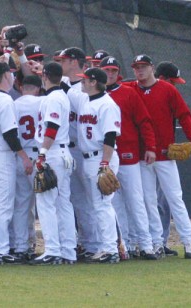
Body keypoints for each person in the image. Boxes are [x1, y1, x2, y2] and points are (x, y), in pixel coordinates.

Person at [125, 54, 191, 259]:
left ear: (152, 68)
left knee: (175, 198)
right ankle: (157, 242)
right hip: (142, 155)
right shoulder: (130, 89)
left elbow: (184, 114)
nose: (139, 70)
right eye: (136, 67)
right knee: (148, 200)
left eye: (143, 66)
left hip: (165, 154)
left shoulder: (167, 89)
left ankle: (188, 242)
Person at [100, 56, 159, 260]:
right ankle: (123, 245)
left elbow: (144, 122)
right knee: (115, 205)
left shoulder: (128, 92)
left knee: (136, 201)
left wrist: (150, 147)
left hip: (129, 155)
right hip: (105, 157)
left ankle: (146, 245)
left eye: (113, 71)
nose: (110, 74)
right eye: (106, 70)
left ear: (118, 73)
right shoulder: (93, 95)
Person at [0, 62, 33, 265]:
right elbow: (10, 134)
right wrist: (24, 156)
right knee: (3, 207)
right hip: (2, 155)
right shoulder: (5, 100)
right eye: (11, 73)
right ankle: (1, 251)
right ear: (4, 75)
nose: (13, 77)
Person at [68, 68, 122, 263]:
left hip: (101, 157)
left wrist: (105, 164)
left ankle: (110, 249)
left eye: (85, 80)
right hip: (88, 158)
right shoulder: (85, 100)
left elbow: (110, 136)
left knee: (102, 205)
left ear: (93, 82)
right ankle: (103, 246)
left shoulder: (107, 104)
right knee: (95, 205)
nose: (81, 82)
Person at [31, 62, 77, 265]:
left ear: (45, 77)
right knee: (63, 203)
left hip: (53, 153)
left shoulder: (53, 98)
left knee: (46, 203)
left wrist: (42, 154)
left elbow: (51, 128)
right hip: (62, 153)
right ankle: (68, 250)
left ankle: (52, 250)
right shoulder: (62, 96)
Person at [58, 47, 97, 260]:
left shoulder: (85, 88)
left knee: (90, 200)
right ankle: (86, 243)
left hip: (83, 149)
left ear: (74, 62)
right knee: (77, 200)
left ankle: (95, 244)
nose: (61, 63)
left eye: (64, 60)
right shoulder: (65, 86)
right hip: (69, 149)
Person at [154, 61, 187, 256]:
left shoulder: (170, 96)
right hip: (147, 157)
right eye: (172, 81)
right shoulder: (146, 94)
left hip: (165, 155)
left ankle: (161, 241)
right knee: (154, 201)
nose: (174, 86)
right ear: (163, 79)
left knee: (164, 201)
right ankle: (152, 242)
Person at [12, 74, 43, 260]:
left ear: (21, 87)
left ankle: (21, 245)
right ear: (39, 88)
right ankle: (51, 245)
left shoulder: (13, 104)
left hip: (19, 154)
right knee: (45, 204)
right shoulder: (43, 102)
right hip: (39, 154)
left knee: (22, 204)